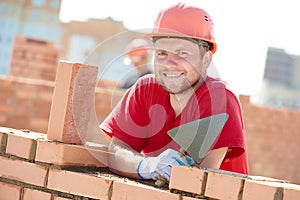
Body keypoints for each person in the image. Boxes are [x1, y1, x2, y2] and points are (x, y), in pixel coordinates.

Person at [99, 3, 248, 183]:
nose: (170, 64)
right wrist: (147, 166)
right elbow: (115, 152)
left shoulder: (218, 99)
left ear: (206, 59)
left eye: (182, 53)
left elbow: (196, 181)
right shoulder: (145, 89)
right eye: (162, 53)